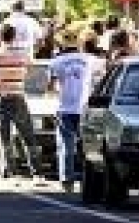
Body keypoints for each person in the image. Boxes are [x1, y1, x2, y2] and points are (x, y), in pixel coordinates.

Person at [0, 24, 44, 184]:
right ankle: (37, 173)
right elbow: (30, 67)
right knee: (28, 136)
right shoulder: (22, 54)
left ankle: (10, 172)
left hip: (1, 98)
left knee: (5, 138)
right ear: (14, 36)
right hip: (18, 96)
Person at [48, 26, 95, 193]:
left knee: (66, 146)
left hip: (65, 107)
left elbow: (51, 88)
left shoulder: (56, 62)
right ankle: (87, 179)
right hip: (86, 108)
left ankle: (67, 182)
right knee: (88, 146)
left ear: (61, 42)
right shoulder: (90, 59)